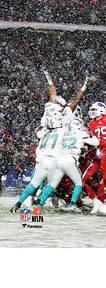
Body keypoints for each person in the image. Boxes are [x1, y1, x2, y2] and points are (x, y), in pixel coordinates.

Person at [10, 72, 88, 213]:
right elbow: (75, 102)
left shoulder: (47, 117)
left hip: (42, 156)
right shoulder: (63, 123)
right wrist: (83, 88)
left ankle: (18, 204)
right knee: (52, 185)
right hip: (54, 160)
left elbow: (52, 94)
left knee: (33, 184)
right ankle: (41, 205)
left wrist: (49, 80)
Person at [37, 118, 99, 210]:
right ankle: (72, 205)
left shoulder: (64, 134)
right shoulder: (81, 133)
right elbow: (96, 142)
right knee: (79, 184)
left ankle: (40, 204)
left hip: (59, 160)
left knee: (52, 185)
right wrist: (93, 136)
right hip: (70, 161)